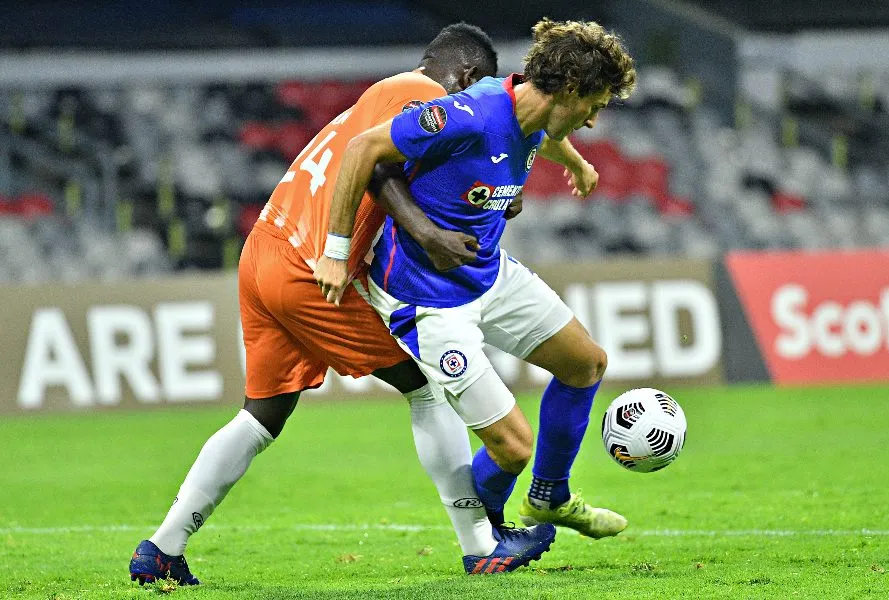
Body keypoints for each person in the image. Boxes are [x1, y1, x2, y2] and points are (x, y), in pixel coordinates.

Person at [129, 23, 554, 586]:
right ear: (467, 75)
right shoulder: (421, 94)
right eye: (472, 90)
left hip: (264, 251)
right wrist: (397, 241)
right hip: (309, 267)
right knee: (427, 387)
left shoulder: (378, 98)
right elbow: (377, 170)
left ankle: (162, 548)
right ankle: (480, 545)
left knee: (262, 415)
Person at [315, 18, 637, 540]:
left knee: (586, 363)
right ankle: (487, 537)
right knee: (514, 448)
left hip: (487, 273)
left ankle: (549, 496)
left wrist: (575, 162)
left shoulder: (531, 109)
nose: (594, 120)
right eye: (594, 105)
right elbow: (362, 150)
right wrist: (334, 254)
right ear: (570, 89)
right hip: (427, 299)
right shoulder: (468, 115)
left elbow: (537, 132)